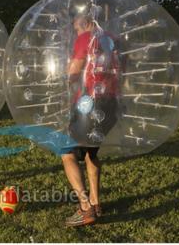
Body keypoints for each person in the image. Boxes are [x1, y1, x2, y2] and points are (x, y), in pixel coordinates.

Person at [63, 14, 120, 226]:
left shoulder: (86, 37)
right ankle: (96, 203)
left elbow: (76, 69)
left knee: (67, 152)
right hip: (111, 103)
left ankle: (85, 208)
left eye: (75, 29)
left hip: (89, 104)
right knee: (90, 151)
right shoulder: (110, 38)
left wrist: (64, 78)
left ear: (83, 24)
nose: (76, 34)